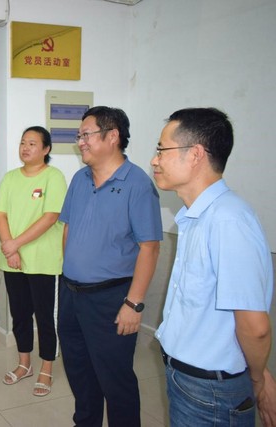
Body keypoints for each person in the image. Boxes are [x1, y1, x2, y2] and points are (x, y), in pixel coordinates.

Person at [151, 107, 276, 427]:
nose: (155, 160)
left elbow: (255, 326)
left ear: (195, 154)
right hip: (188, 379)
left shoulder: (228, 220)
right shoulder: (197, 216)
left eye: (162, 150)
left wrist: (258, 379)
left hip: (211, 392)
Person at [58, 106, 162, 426]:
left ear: (112, 136)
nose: (80, 142)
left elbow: (150, 247)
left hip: (111, 299)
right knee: (79, 372)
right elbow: (68, 228)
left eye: (86, 135)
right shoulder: (79, 179)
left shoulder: (137, 184)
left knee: (115, 381)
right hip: (71, 294)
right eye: (79, 136)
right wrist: (70, 273)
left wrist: (133, 303)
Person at [0, 126, 67, 397]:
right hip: (12, 260)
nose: (25, 148)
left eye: (33, 143)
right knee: (20, 314)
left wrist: (15, 244)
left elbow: (50, 217)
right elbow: (0, 214)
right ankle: (24, 363)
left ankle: (46, 367)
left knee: (46, 317)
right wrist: (10, 249)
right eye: (23, 142)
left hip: (43, 261)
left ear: (46, 149)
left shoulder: (53, 177)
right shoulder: (11, 178)